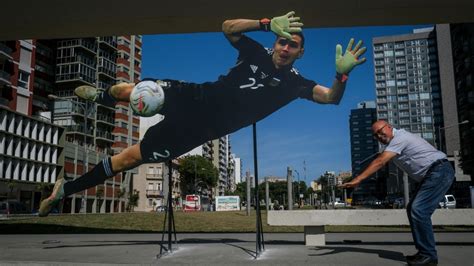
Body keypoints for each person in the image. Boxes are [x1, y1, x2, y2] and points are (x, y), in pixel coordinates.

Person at [39, 11, 366, 217]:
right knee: (131, 91)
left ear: (300, 52)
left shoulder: (296, 84)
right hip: (193, 97)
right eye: (281, 41)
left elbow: (331, 99)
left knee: (128, 160)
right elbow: (228, 28)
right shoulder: (257, 50)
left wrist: (341, 76)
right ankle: (102, 97)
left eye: (291, 45)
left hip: (197, 133)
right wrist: (265, 24)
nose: (283, 47)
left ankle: (64, 189)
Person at [340, 120, 454, 266]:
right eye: (376, 135)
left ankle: (428, 256)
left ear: (389, 127)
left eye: (381, 131)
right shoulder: (393, 144)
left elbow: (380, 161)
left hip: (439, 171)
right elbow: (382, 159)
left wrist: (358, 179)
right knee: (413, 208)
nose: (379, 136)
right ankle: (424, 253)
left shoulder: (400, 138)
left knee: (418, 210)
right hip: (431, 175)